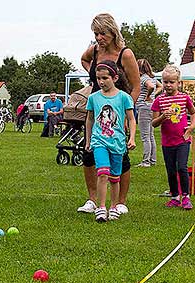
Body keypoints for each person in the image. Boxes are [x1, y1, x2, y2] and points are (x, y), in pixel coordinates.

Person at [78, 13, 140, 215]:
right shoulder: (95, 51)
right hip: (97, 108)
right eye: (96, 33)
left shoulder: (126, 54)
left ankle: (120, 201)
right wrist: (92, 74)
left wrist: (125, 113)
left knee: (120, 156)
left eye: (102, 33)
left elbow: (136, 86)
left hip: (119, 108)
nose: (98, 38)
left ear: (113, 32)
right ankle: (92, 199)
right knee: (89, 153)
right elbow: (83, 59)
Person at [85, 60, 136, 222]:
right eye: (98, 78)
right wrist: (88, 140)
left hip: (118, 142)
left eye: (105, 78)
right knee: (102, 172)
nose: (101, 82)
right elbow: (90, 120)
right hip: (99, 141)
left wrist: (132, 137)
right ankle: (101, 207)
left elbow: (131, 119)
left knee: (115, 177)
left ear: (114, 78)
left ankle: (113, 206)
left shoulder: (124, 97)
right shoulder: (93, 98)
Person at [152, 65, 195, 210]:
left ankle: (186, 196)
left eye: (172, 82)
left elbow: (194, 113)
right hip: (167, 142)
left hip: (183, 140)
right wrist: (162, 117)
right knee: (171, 169)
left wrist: (191, 126)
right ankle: (175, 196)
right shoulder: (158, 100)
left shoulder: (184, 98)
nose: (168, 85)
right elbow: (154, 124)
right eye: (165, 82)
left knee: (182, 167)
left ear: (178, 83)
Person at [136, 59, 162, 167]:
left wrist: (147, 96)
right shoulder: (153, 77)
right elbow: (160, 86)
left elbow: (150, 86)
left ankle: (146, 161)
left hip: (144, 107)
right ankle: (152, 160)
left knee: (145, 136)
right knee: (150, 135)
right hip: (151, 107)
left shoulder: (143, 78)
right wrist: (153, 96)